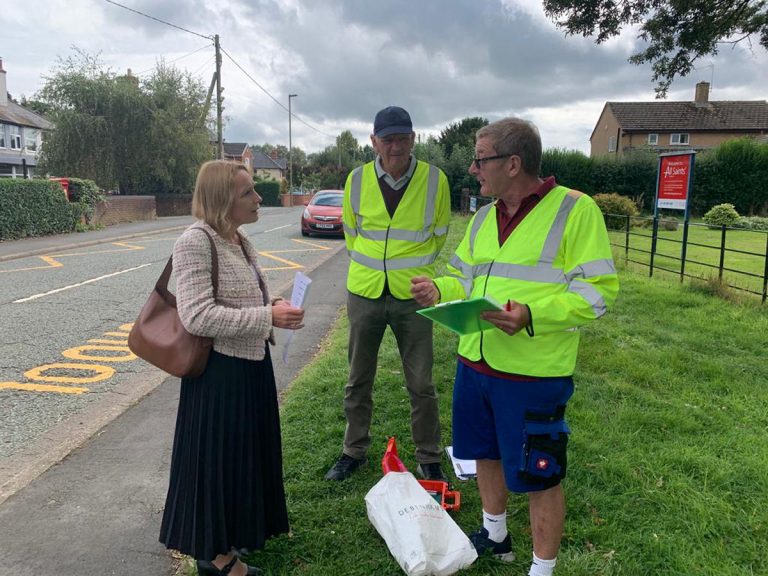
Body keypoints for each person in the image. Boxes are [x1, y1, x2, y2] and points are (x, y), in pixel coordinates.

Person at [411, 118, 619, 576]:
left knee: (541, 474)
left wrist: (531, 316)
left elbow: (598, 292)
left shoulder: (575, 209)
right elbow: (461, 277)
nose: (472, 168)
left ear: (512, 163)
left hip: (533, 373)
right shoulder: (484, 216)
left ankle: (541, 569)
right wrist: (437, 290)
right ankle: (495, 535)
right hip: (476, 363)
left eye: (479, 158)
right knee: (483, 453)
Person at [159, 160, 305, 576]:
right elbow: (197, 316)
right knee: (216, 467)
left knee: (244, 460)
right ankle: (217, 559)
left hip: (250, 367)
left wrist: (273, 306)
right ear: (223, 200)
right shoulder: (194, 241)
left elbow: (244, 300)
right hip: (218, 376)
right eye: (248, 193)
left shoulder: (239, 240)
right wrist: (267, 318)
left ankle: (233, 537)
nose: (259, 199)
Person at [325, 106, 452, 482]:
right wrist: (371, 269)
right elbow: (351, 231)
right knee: (357, 378)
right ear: (374, 141)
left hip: (413, 296)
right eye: (388, 139)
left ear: (414, 139)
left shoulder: (435, 180)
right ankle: (353, 450)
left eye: (403, 138)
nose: (396, 146)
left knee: (422, 383)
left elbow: (440, 233)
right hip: (364, 293)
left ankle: (428, 456)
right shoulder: (357, 179)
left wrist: (417, 272)